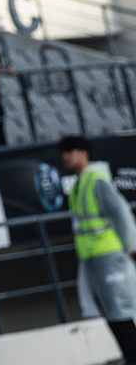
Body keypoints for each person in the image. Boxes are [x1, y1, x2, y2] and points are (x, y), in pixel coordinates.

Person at [60, 134, 136, 363]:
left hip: (108, 254)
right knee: (109, 311)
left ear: (84, 153)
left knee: (119, 310)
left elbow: (122, 214)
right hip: (92, 257)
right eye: (64, 152)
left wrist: (131, 248)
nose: (65, 157)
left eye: (70, 151)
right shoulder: (79, 185)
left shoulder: (96, 181)